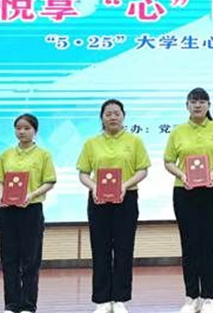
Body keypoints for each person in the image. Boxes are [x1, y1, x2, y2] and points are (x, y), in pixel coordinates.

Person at [164, 88, 213, 313]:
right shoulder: (178, 131)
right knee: (189, 244)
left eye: (202, 101)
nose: (198, 105)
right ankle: (191, 297)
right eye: (193, 101)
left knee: (210, 244)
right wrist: (182, 174)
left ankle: (208, 298)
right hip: (184, 191)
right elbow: (168, 161)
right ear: (187, 105)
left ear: (209, 105)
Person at [77, 99, 151, 313]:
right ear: (101, 118)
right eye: (108, 114)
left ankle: (119, 299)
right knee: (100, 249)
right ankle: (102, 300)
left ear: (123, 116)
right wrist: (94, 187)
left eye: (117, 113)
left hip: (126, 199)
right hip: (98, 200)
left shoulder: (134, 141)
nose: (113, 117)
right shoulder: (91, 143)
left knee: (123, 248)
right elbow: (83, 173)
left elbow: (142, 170)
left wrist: (124, 185)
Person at [0, 113, 57, 313]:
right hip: (8, 212)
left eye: (27, 128)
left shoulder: (44, 155)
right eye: (18, 128)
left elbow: (49, 181)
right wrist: (2, 195)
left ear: (35, 131)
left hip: (31, 210)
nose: (22, 132)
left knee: (31, 260)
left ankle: (28, 305)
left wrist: (31, 195)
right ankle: (11, 305)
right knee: (9, 258)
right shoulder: (5, 155)